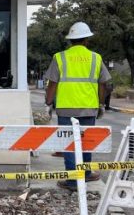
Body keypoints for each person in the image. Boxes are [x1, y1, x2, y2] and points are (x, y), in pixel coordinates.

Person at [44, 22, 111, 190]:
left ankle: (73, 181)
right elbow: (103, 83)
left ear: (70, 41)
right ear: (86, 40)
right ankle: (86, 174)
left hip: (66, 108)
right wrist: (101, 104)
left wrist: (48, 102)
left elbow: (52, 83)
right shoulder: (96, 58)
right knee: (86, 142)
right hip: (88, 107)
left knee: (69, 144)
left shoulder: (59, 57)